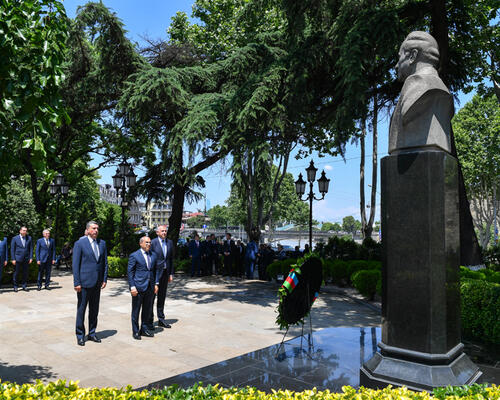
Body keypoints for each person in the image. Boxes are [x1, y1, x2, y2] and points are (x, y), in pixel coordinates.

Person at [389, 31, 453, 155]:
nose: (396, 66)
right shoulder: (441, 89)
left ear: (413, 56)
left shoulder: (424, 87)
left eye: (400, 57)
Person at [72, 221, 108, 346]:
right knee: (81, 310)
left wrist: (104, 279)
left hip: (97, 283)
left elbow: (104, 263)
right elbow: (75, 264)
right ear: (88, 230)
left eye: (97, 228)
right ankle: (80, 335)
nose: (96, 230)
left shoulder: (102, 243)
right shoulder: (80, 244)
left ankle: (92, 333)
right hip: (84, 283)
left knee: (94, 310)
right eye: (93, 228)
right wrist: (77, 282)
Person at [128, 236, 160, 340]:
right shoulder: (134, 255)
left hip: (150, 287)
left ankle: (144, 329)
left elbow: (156, 270)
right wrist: (132, 287)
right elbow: (130, 272)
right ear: (141, 243)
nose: (149, 244)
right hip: (138, 287)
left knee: (147, 310)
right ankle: (135, 331)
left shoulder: (153, 255)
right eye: (146, 242)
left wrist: (156, 283)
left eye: (150, 242)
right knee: (136, 311)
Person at [150, 225, 174, 329]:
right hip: (155, 274)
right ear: (157, 232)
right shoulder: (152, 243)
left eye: (165, 231)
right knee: (151, 297)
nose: (164, 232)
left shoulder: (170, 242)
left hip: (165, 273)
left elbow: (171, 259)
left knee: (162, 296)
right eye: (162, 231)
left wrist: (171, 273)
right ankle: (149, 320)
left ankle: (161, 319)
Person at [11, 226, 32, 292]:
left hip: (26, 258)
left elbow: (31, 249)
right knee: (16, 273)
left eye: (26, 230)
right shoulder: (15, 238)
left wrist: (31, 257)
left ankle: (24, 286)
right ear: (20, 231)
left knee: (25, 273)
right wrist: (13, 259)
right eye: (23, 230)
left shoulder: (29, 238)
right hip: (17, 258)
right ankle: (15, 286)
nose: (25, 232)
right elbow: (12, 249)